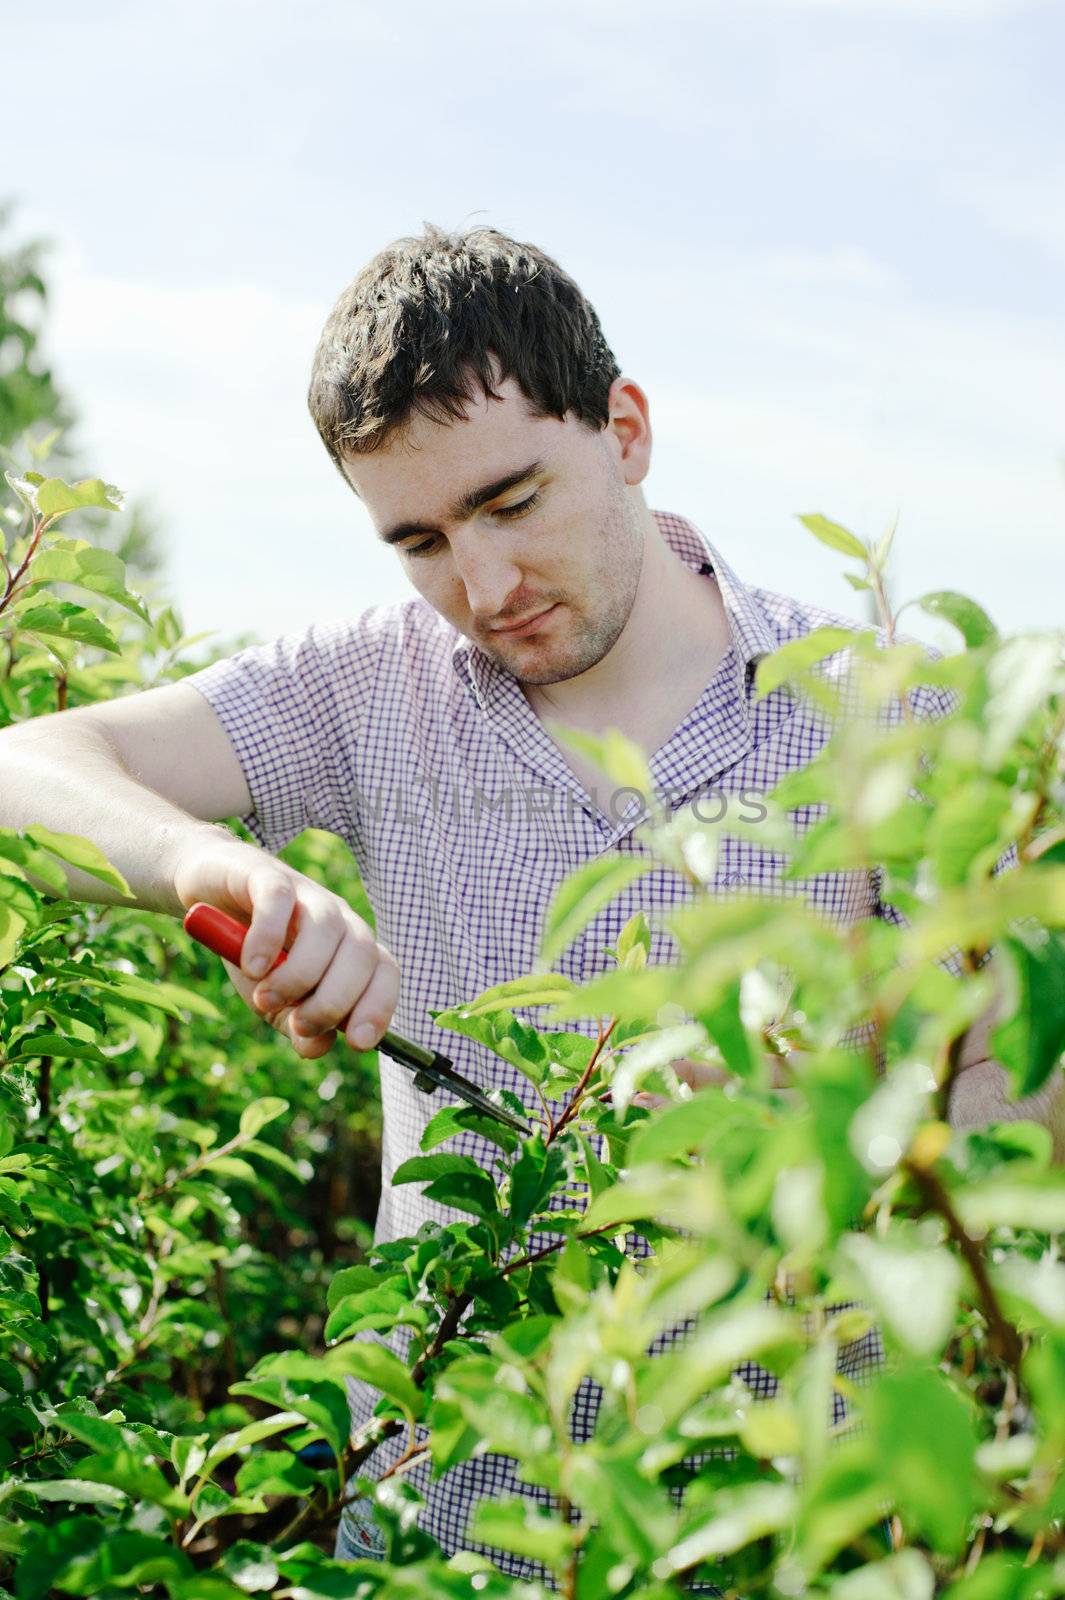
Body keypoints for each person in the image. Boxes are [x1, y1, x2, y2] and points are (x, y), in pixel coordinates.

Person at [1, 224, 1060, 1577]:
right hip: (451, 1530)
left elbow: (1011, 1159)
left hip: (800, 1531)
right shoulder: (366, 686)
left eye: (512, 503)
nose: (482, 590)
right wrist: (215, 866)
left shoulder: (892, 712)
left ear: (623, 428)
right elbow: (27, 767)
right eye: (420, 540)